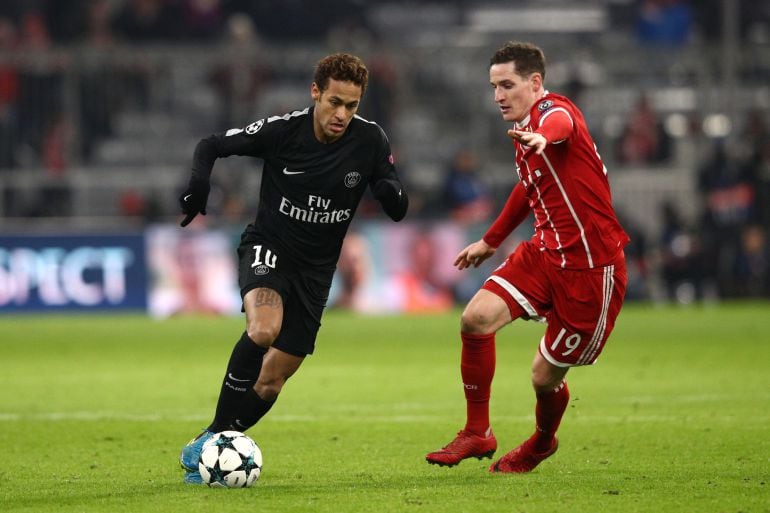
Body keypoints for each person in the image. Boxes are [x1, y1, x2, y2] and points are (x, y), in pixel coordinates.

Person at [177, 53, 408, 484]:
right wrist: (198, 186)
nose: (342, 114)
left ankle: (210, 440)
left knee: (273, 380)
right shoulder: (283, 131)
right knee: (263, 329)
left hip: (317, 272)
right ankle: (218, 444)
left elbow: (391, 190)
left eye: (352, 105)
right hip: (269, 248)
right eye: (335, 102)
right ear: (315, 92)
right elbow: (210, 145)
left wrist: (392, 193)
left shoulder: (370, 140)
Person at [425, 41, 629, 473]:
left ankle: (541, 442)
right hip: (544, 252)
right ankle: (477, 431)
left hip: (590, 268)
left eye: (507, 85)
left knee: (543, 376)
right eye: (493, 86)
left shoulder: (554, 112)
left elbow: (561, 125)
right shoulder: (524, 136)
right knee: (475, 319)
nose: (498, 95)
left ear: (535, 83)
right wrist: (490, 240)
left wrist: (543, 136)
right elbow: (526, 189)